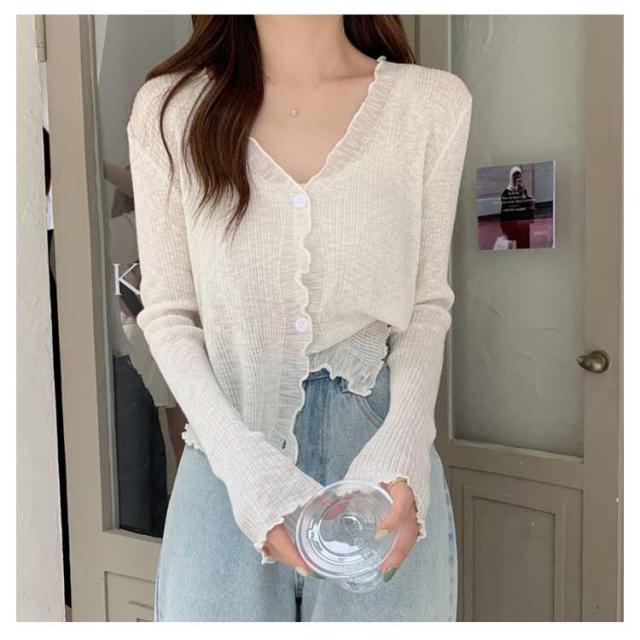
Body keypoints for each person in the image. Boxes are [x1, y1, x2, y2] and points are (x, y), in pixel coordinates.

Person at [127, 15, 472, 622]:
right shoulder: (171, 110)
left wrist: (402, 445)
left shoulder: (430, 104)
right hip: (226, 457)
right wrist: (245, 469)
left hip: (380, 458)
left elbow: (425, 305)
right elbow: (169, 314)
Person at [499, 165, 535, 249]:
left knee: (524, 247)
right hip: (512, 225)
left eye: (519, 176)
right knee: (511, 248)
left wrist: (523, 194)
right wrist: (503, 228)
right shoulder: (506, 193)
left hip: (523, 225)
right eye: (514, 176)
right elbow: (504, 211)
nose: (517, 178)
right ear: (511, 177)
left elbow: (527, 206)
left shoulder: (523, 190)